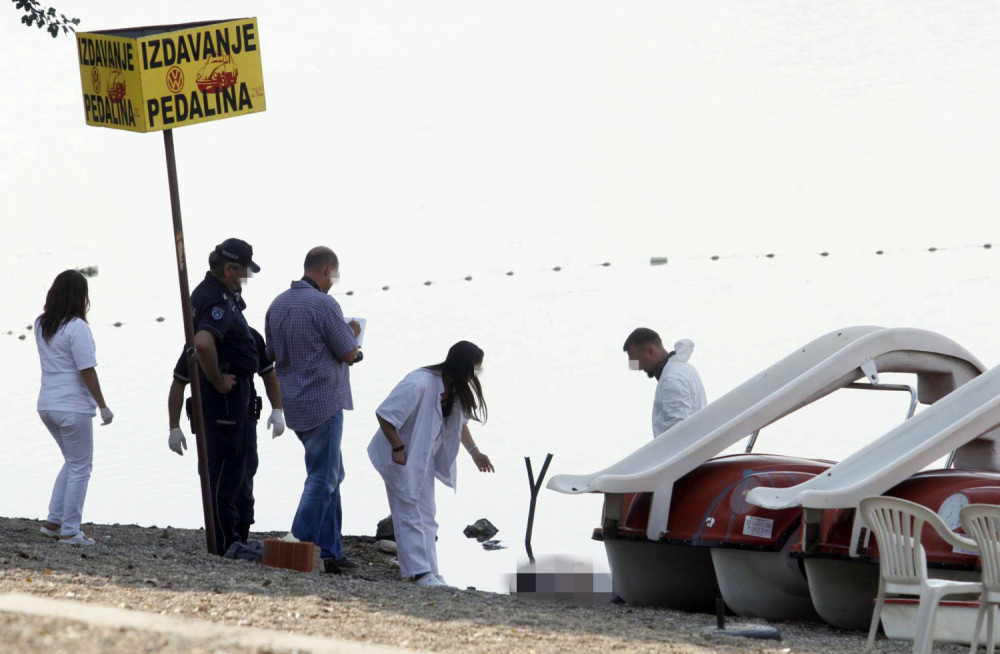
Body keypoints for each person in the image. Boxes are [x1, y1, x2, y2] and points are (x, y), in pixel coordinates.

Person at [265, 246, 361, 574]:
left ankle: (330, 550)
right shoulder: (324, 304)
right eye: (334, 274)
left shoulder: (277, 304)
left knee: (332, 472)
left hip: (294, 403)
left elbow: (272, 353)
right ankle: (299, 541)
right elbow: (348, 352)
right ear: (326, 270)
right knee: (323, 476)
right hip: (324, 402)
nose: (333, 280)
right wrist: (355, 339)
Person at [368, 341, 495, 587]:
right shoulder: (419, 383)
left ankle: (431, 571)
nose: (475, 375)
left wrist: (475, 452)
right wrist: (398, 448)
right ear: (462, 366)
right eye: (474, 369)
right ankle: (417, 573)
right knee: (408, 512)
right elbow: (385, 414)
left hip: (422, 457)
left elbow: (461, 424)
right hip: (399, 455)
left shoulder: (454, 388)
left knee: (428, 515)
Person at [173, 238, 265, 555]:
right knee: (225, 471)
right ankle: (226, 543)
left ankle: (236, 536)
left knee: (239, 467)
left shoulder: (219, 294)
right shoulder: (214, 297)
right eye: (242, 272)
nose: (245, 279)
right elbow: (202, 343)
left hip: (236, 397)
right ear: (228, 269)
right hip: (223, 399)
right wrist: (218, 380)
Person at [167, 316, 284, 548]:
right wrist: (174, 427)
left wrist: (277, 410)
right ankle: (224, 539)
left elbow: (269, 376)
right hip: (211, 421)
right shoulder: (199, 342)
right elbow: (179, 382)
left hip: (245, 419)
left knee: (246, 473)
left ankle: (240, 533)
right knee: (217, 478)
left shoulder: (250, 338)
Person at [35, 269, 114, 546]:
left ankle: (52, 522)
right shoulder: (77, 327)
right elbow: (86, 370)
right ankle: (70, 531)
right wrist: (103, 405)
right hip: (72, 407)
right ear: (80, 297)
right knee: (81, 466)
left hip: (47, 405)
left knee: (72, 462)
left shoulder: (41, 323)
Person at [623, 328, 707, 438]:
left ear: (651, 351)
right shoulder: (683, 368)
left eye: (636, 361)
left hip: (684, 452)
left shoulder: (672, 378)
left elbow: (678, 428)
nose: (638, 368)